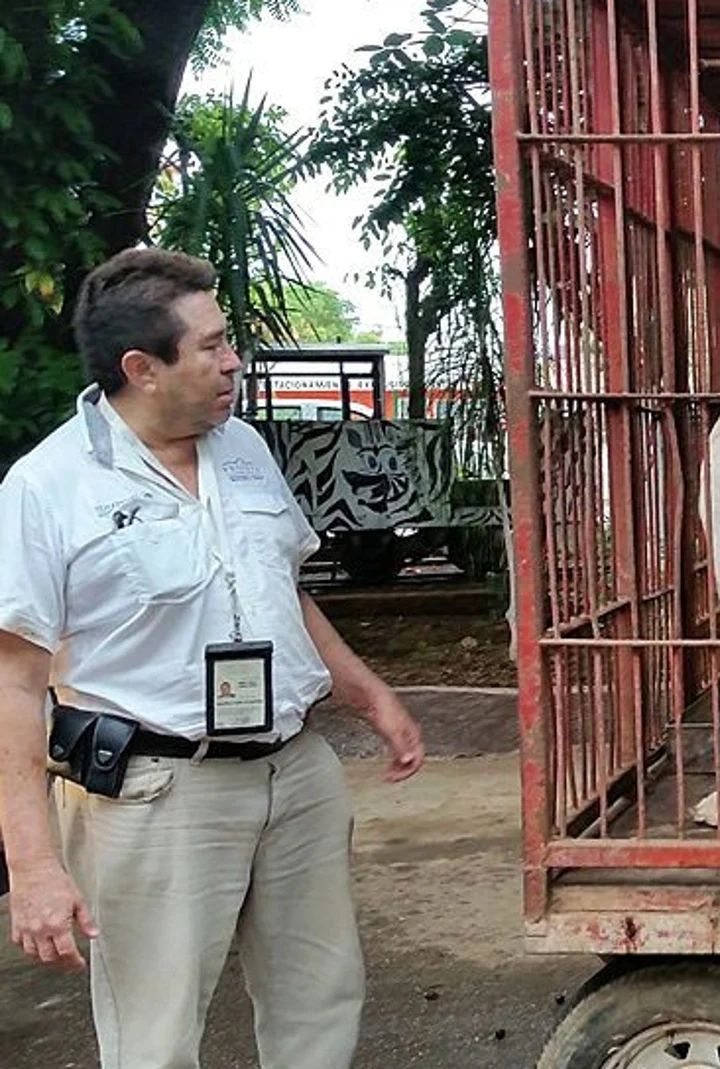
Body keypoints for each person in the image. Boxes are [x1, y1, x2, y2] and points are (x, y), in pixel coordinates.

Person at [0, 247, 425, 1069]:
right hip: (157, 795)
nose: (234, 359)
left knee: (321, 1003)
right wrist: (33, 863)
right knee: (155, 1038)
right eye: (211, 345)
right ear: (142, 368)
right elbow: (14, 680)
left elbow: (283, 590)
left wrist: (369, 695)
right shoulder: (48, 486)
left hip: (293, 771)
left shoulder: (243, 448)